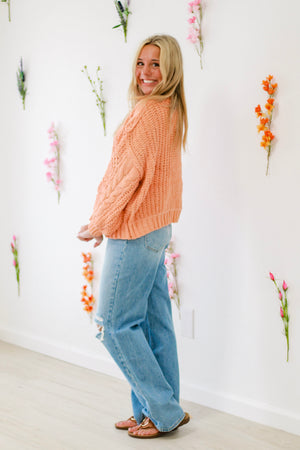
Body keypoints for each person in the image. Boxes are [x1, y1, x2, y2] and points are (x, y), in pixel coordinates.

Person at [77, 34, 189, 439]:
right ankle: (154, 409)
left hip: (136, 230)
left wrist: (99, 223)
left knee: (113, 325)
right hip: (158, 229)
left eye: (155, 64)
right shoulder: (171, 109)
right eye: (141, 63)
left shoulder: (147, 114)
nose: (145, 72)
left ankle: (163, 409)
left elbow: (127, 177)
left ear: (170, 69)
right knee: (154, 323)